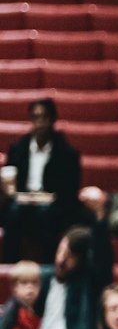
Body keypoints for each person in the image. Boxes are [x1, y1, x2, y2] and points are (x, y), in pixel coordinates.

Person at [36, 191, 113, 329]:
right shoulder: (42, 278)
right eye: (61, 251)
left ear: (81, 262)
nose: (61, 260)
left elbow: (103, 264)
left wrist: (100, 218)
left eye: (70, 257)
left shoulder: (85, 285)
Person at [1, 99, 81, 263]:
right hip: (22, 202)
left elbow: (69, 192)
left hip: (51, 205)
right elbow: (9, 183)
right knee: (14, 210)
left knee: (45, 212)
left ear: (52, 120)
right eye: (35, 117)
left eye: (44, 117)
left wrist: (49, 197)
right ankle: (10, 266)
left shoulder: (66, 153)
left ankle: (49, 266)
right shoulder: (17, 148)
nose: (40, 123)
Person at [0, 261, 42, 329]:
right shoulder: (12, 308)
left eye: (34, 283)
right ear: (14, 287)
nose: (30, 287)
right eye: (24, 283)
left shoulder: (38, 307)